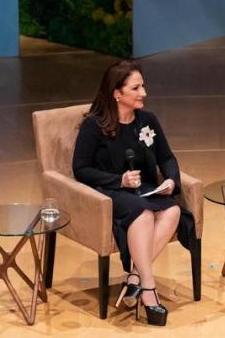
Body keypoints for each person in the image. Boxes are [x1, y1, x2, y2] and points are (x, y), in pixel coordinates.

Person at [72, 60, 187, 326]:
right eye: (136, 88)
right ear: (117, 93)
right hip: (110, 190)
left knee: (173, 210)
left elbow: (166, 157)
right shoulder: (94, 125)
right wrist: (119, 180)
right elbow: (81, 169)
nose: (143, 93)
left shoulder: (148, 120)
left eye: (143, 86)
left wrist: (171, 179)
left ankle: (135, 276)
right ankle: (149, 290)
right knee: (143, 214)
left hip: (145, 189)